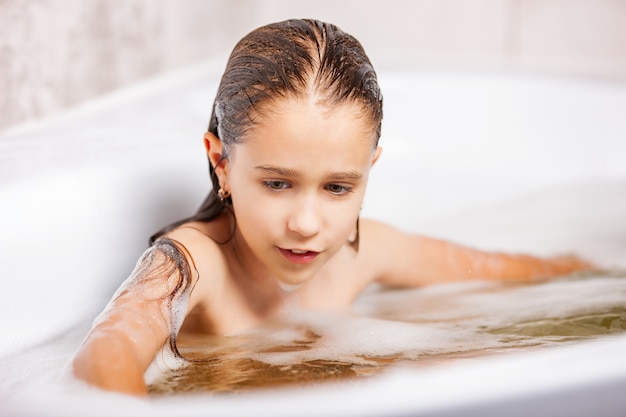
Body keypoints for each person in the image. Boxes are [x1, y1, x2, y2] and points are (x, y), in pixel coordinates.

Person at [71, 18, 591, 396]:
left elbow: (505, 272)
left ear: (370, 168)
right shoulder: (194, 262)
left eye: (338, 188)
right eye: (277, 183)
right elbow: (109, 348)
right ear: (222, 163)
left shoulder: (363, 250)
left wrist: (583, 272)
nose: (307, 223)